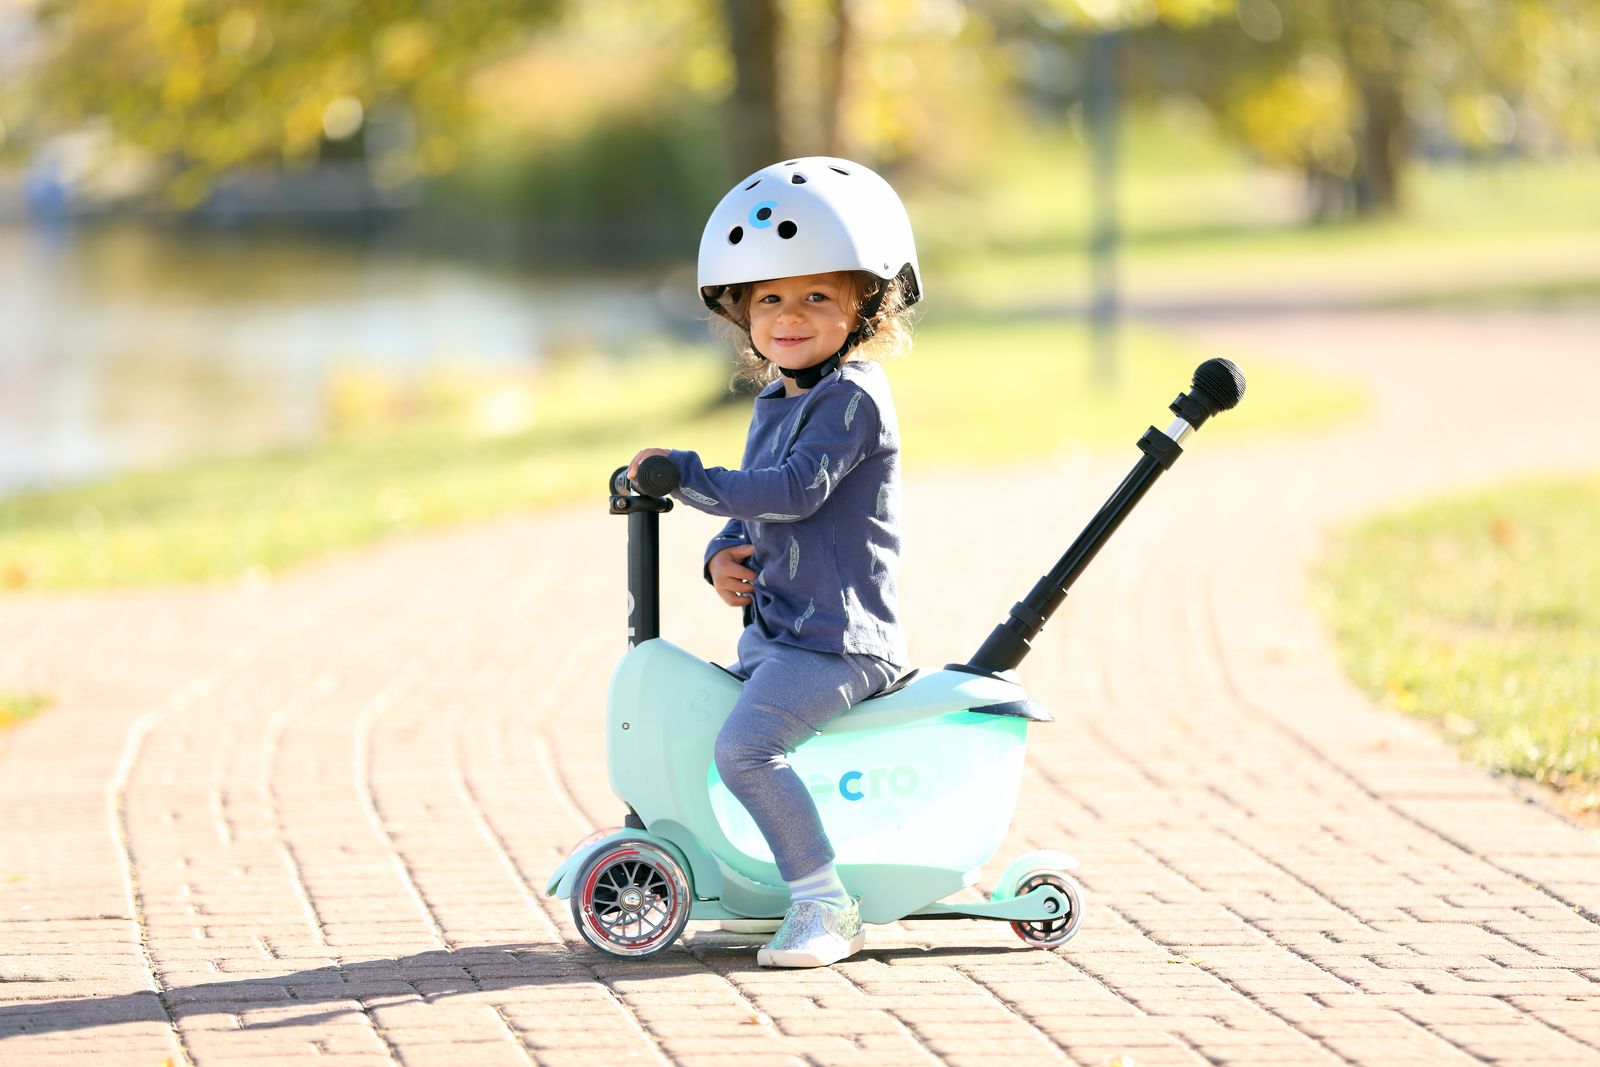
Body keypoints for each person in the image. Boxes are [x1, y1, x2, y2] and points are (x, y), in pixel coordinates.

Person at [626, 156, 922, 967]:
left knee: (744, 750)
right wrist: (726, 551)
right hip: (783, 631)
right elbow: (768, 512)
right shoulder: (775, 398)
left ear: (867, 305)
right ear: (742, 314)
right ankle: (761, 875)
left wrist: (689, 474)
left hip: (838, 640)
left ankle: (826, 905)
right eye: (769, 299)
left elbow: (794, 489)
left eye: (816, 296)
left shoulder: (854, 397)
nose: (790, 315)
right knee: (702, 727)